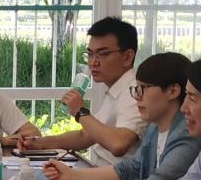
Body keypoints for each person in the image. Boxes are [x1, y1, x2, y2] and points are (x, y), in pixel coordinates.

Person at [40, 52, 200, 180]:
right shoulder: (154, 127)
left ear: (173, 91)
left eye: (143, 89)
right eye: (136, 89)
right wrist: (70, 175)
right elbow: (131, 168)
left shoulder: (187, 133)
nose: (137, 97)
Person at [15, 16, 144, 165]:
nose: (93, 62)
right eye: (90, 54)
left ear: (127, 57)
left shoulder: (133, 92)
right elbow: (86, 136)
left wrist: (80, 112)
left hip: (116, 178)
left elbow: (119, 144)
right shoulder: (117, 88)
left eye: (103, 54)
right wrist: (40, 143)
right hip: (100, 172)